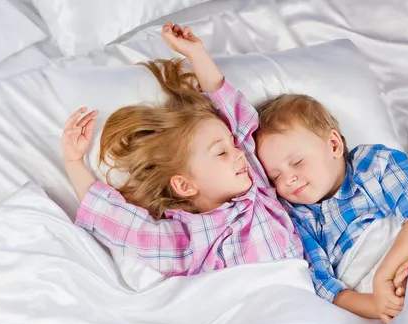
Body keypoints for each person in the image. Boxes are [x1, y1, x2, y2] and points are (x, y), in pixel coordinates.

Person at [60, 22, 303, 277]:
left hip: (306, 298)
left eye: (232, 145)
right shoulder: (190, 240)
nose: (239, 152)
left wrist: (197, 55)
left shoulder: (257, 191)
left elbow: (234, 116)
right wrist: (73, 162)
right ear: (185, 185)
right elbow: (123, 225)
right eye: (221, 153)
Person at [256, 94, 408, 323]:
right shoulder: (297, 218)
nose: (289, 180)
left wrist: (385, 276)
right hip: (369, 293)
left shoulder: (373, 163)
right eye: (275, 177)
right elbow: (329, 290)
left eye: (297, 162)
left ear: (334, 145)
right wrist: (377, 304)